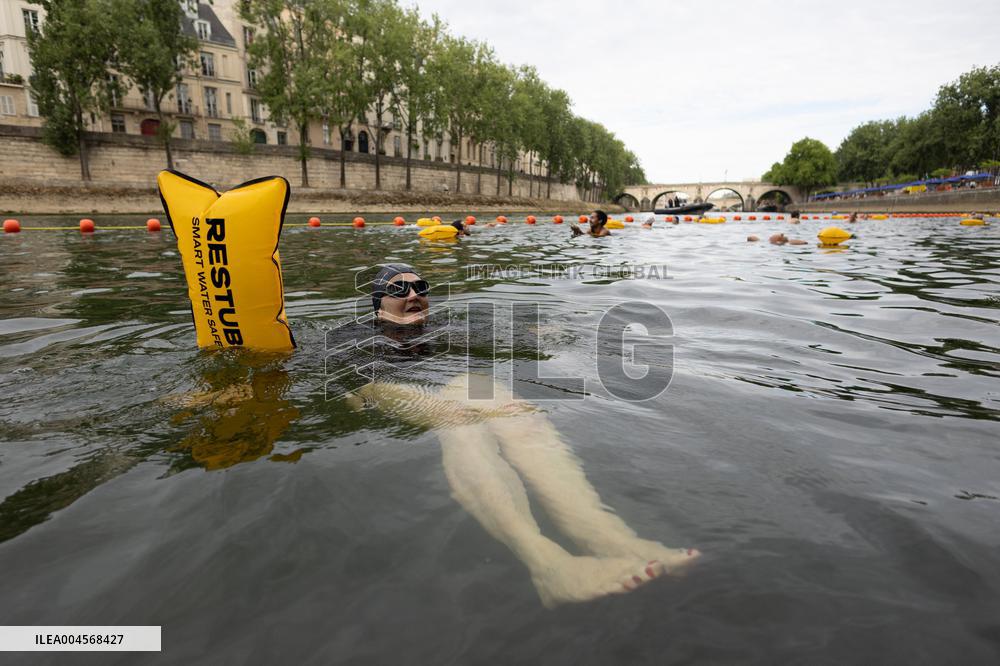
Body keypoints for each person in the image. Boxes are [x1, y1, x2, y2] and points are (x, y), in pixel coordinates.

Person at [350, 373, 700, 607]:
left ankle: (611, 539)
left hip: (458, 380)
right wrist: (356, 397)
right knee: (458, 421)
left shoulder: (448, 326)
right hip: (378, 382)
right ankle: (545, 562)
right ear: (378, 299)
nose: (413, 293)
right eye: (399, 288)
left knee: (520, 418)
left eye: (419, 286)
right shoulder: (362, 333)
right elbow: (344, 377)